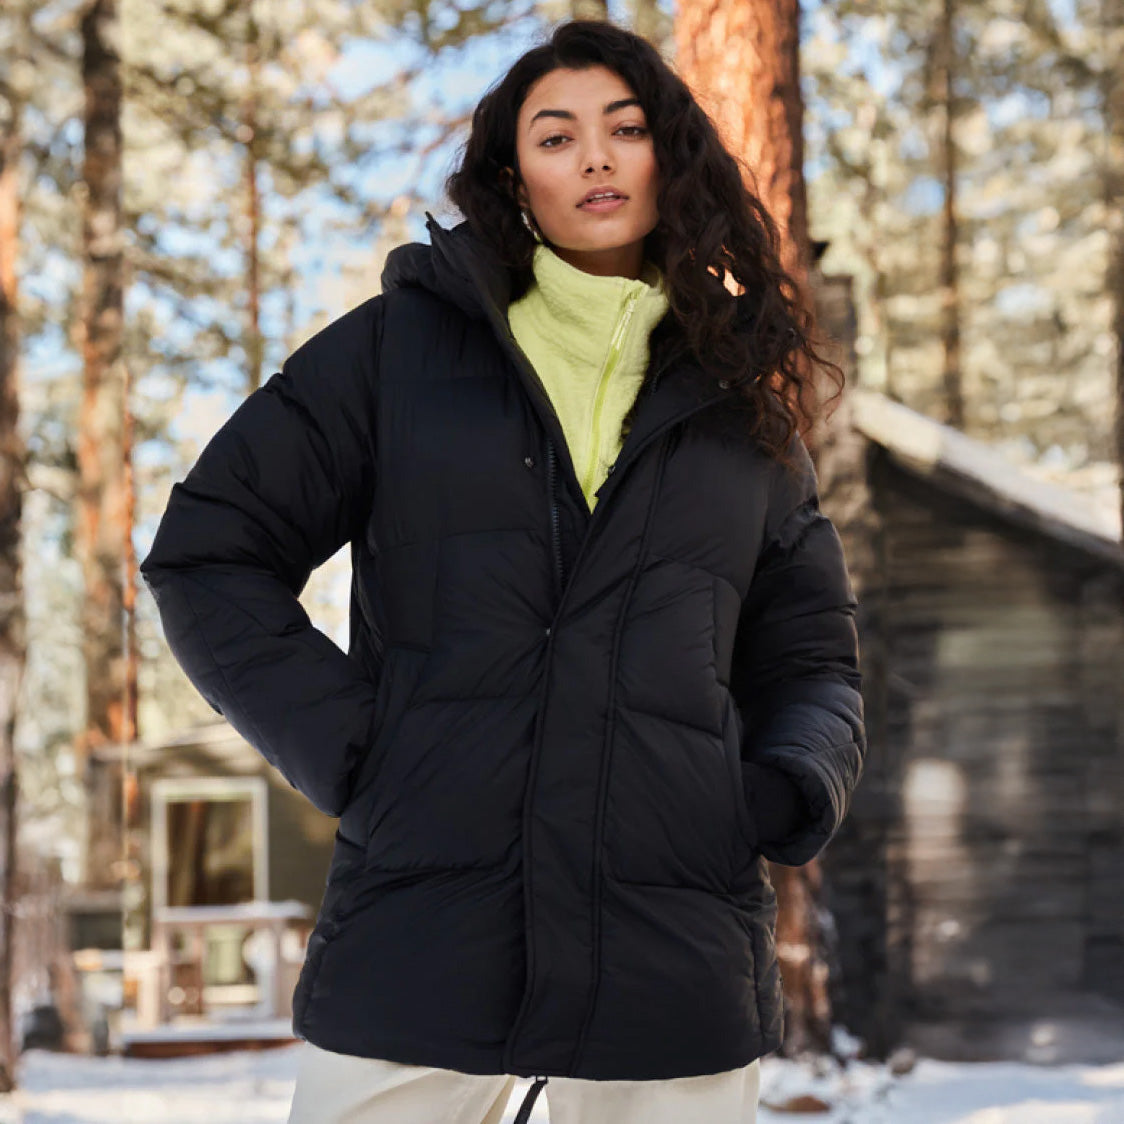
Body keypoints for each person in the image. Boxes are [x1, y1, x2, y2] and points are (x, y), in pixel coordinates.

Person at [140, 18, 866, 1124]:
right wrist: (360, 746)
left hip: (668, 946)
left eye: (624, 129)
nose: (593, 157)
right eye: (555, 133)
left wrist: (775, 786)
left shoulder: (738, 408)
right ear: (509, 171)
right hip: (421, 931)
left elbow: (811, 656)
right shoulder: (400, 351)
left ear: (667, 157)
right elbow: (209, 549)